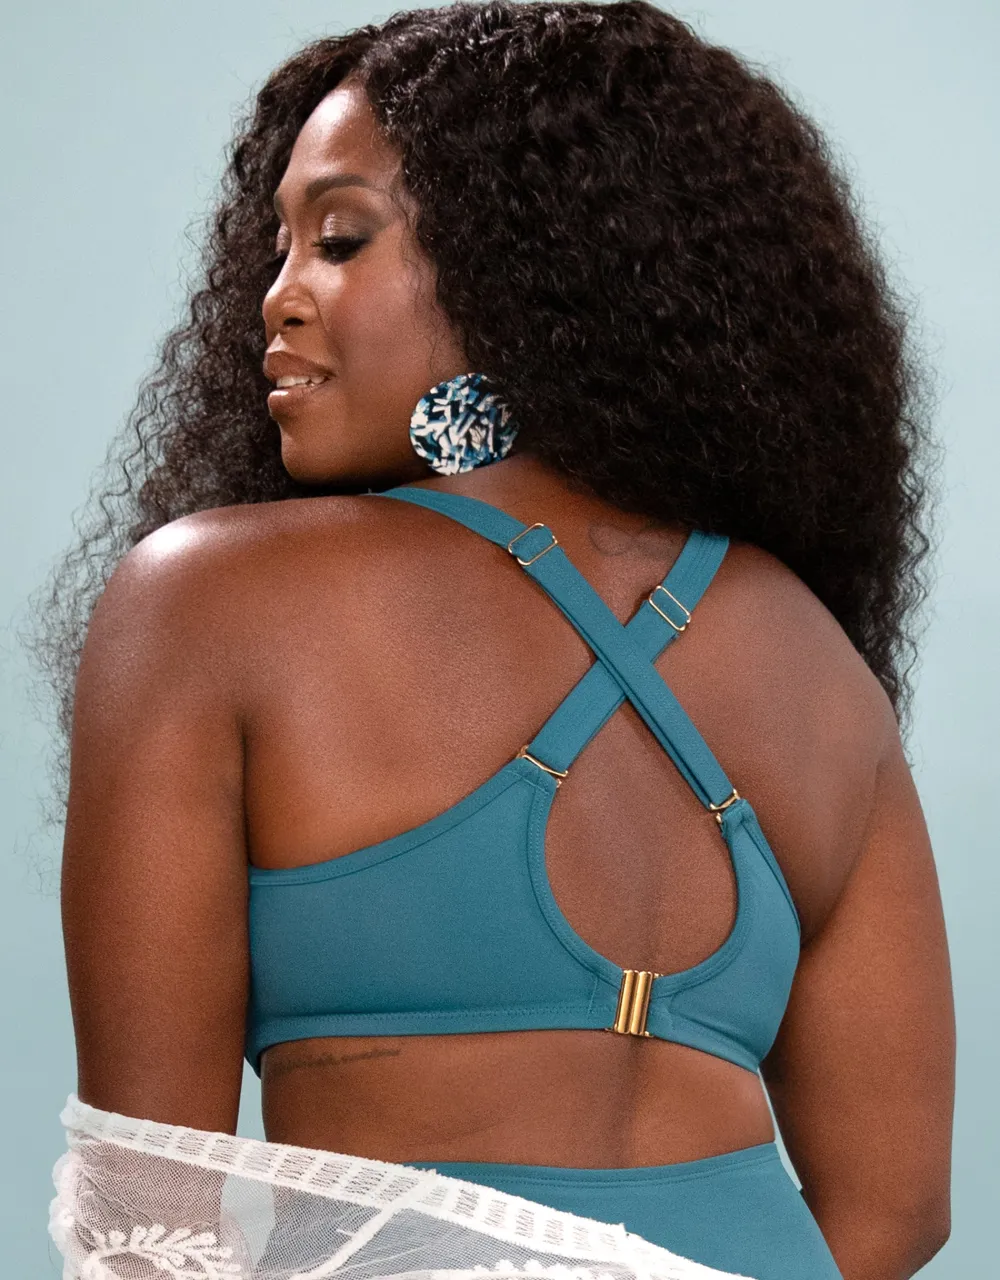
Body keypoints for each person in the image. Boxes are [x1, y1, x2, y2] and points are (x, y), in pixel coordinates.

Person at [39, 2, 954, 1278]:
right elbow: (894, 1211)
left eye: (340, 240)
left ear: (522, 268)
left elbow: (150, 1211)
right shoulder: (815, 661)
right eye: (277, 245)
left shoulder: (210, 598)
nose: (277, 298)